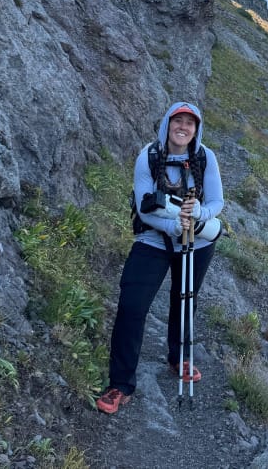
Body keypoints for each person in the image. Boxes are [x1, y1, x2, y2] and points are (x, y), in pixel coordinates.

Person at [97, 101, 224, 414]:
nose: (183, 127)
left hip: (196, 240)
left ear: (196, 129)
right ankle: (120, 384)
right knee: (132, 305)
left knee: (185, 299)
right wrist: (174, 225)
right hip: (153, 238)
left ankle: (178, 357)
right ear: (167, 124)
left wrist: (198, 214)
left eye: (189, 123)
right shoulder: (149, 156)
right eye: (177, 121)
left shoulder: (206, 157)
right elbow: (143, 207)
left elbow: (217, 201)